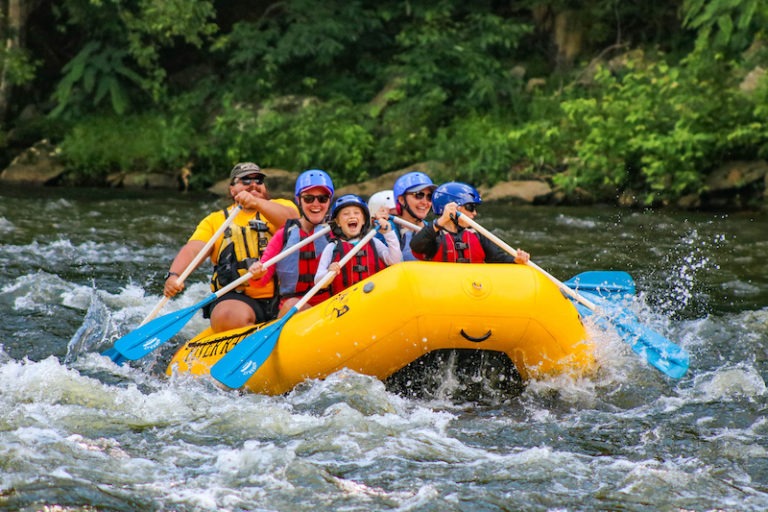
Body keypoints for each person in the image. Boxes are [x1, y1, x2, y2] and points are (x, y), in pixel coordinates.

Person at [164, 162, 299, 332]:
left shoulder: (283, 205)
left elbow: (292, 223)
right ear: (232, 189)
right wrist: (174, 275)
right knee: (228, 315)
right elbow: (194, 249)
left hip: (283, 295)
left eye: (258, 180)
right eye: (245, 181)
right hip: (238, 299)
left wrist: (257, 203)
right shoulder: (215, 220)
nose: (253, 185)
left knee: (301, 307)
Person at [247, 169, 335, 318]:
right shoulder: (284, 235)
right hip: (293, 305)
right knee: (294, 305)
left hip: (330, 303)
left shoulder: (336, 231)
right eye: (308, 198)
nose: (316, 204)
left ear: (329, 201)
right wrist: (256, 273)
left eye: (322, 198)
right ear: (298, 200)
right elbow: (261, 280)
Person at [410, 181, 530, 264]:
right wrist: (441, 221)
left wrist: (515, 260)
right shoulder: (434, 236)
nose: (475, 213)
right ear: (454, 208)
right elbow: (415, 246)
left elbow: (497, 258)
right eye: (470, 207)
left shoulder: (477, 234)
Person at [314, 194, 402, 295]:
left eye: (357, 213)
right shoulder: (331, 247)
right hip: (345, 304)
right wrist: (329, 272)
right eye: (346, 214)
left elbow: (395, 260)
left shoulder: (373, 242)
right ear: (337, 222)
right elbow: (318, 282)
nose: (352, 216)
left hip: (374, 298)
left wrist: (388, 233)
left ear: (364, 220)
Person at [392, 171, 437, 261]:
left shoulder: (435, 228)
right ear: (401, 200)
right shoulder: (388, 230)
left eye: (429, 196)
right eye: (419, 195)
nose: (425, 202)